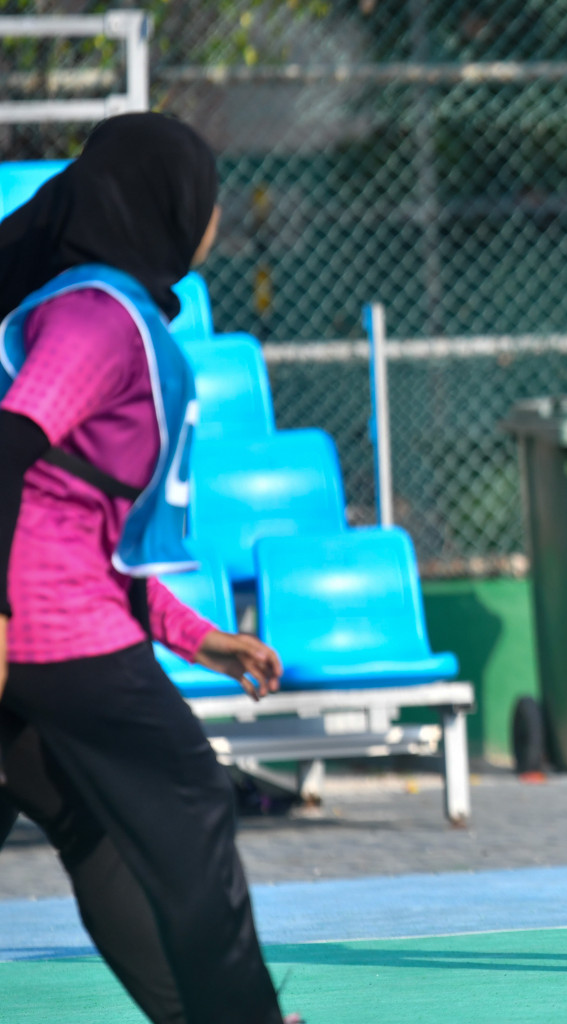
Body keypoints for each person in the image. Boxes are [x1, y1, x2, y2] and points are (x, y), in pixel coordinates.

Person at [0, 113, 300, 1024]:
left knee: (87, 828)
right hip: (52, 640)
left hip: (54, 624)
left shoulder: (117, 313)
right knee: (193, 796)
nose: (214, 211)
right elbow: (7, 446)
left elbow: (86, 526)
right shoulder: (98, 316)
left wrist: (200, 637)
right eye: (205, 187)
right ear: (165, 200)